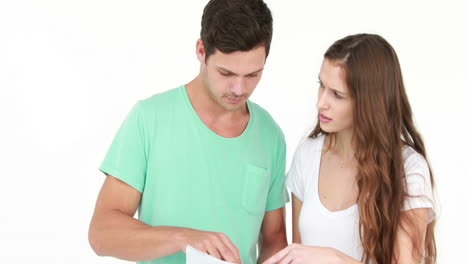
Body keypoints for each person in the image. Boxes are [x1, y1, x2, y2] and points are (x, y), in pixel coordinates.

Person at [88, 1, 289, 264]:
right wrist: (183, 238)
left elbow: (274, 238)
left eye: (253, 75)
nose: (239, 89)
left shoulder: (270, 135)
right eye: (226, 72)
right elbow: (102, 235)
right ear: (201, 50)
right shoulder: (150, 119)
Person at [263, 34, 436, 264]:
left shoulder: (409, 169)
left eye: (337, 94)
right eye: (321, 85)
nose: (321, 102)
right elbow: (299, 256)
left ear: (369, 102)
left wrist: (333, 257)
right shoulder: (307, 154)